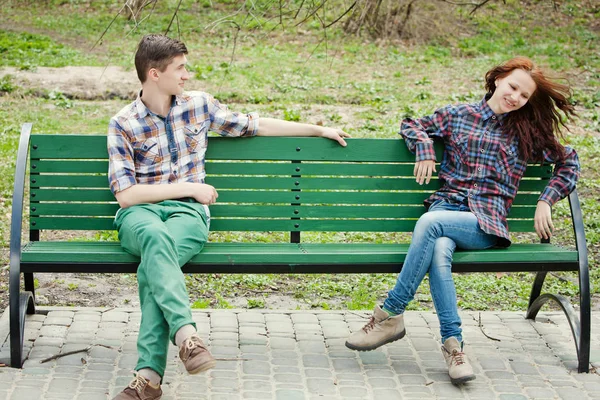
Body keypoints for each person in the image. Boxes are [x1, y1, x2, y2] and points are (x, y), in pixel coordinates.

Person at [108, 34, 350, 400]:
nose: (187, 75)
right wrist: (189, 186)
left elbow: (257, 124)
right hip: (139, 217)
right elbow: (126, 196)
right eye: (180, 68)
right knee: (155, 241)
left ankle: (148, 378)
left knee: (153, 265)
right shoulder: (123, 123)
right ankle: (187, 336)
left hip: (188, 216)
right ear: (154, 74)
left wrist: (317, 129)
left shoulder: (199, 106)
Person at [345, 56, 580, 385]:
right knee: (439, 246)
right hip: (447, 210)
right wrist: (425, 146)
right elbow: (412, 124)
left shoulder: (525, 133)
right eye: (512, 87)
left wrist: (546, 198)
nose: (515, 97)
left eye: (524, 95)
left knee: (430, 224)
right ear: (497, 80)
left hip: (483, 223)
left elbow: (569, 160)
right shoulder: (457, 116)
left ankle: (390, 313)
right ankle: (454, 347)